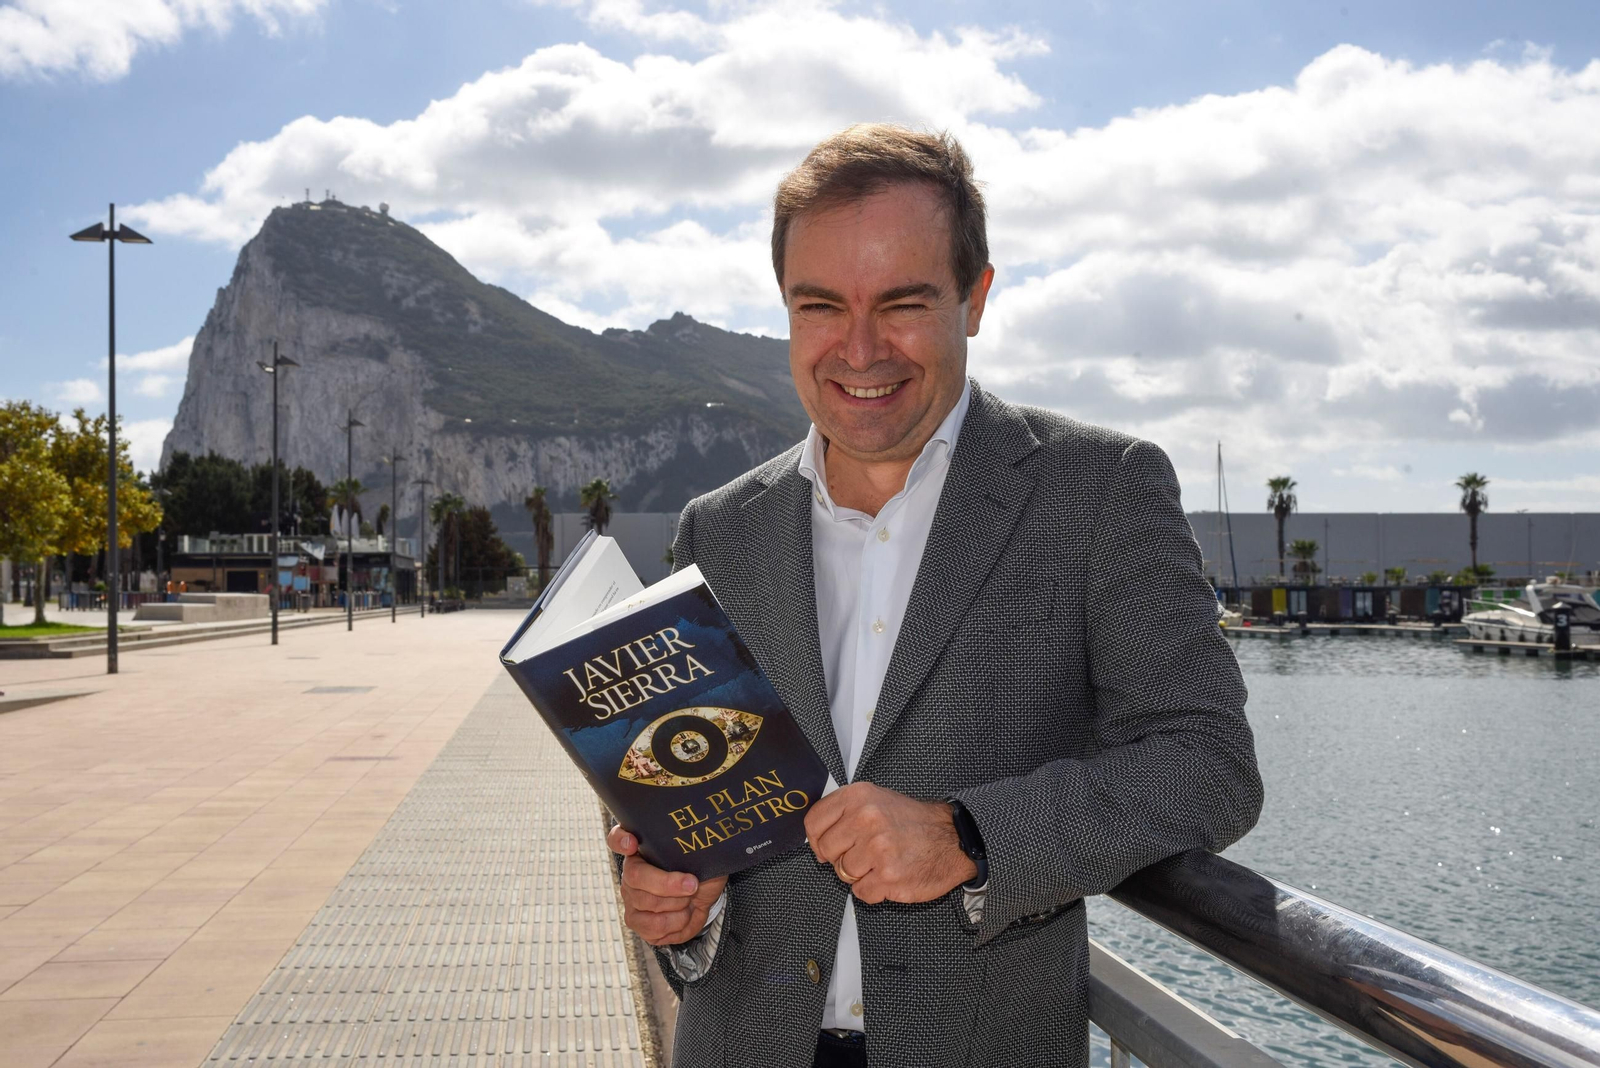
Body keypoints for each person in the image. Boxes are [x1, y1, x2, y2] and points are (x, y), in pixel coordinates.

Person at [607, 124, 1263, 1068]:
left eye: (904, 302)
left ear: (976, 297)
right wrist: (672, 907)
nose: (860, 348)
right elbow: (687, 807)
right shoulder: (717, 530)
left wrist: (970, 836)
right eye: (820, 305)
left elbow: (1209, 761)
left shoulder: (1101, 488)